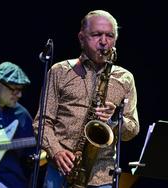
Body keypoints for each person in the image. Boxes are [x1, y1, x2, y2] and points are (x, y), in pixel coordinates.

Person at [33, 10, 139, 188]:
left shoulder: (125, 78)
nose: (104, 42)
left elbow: (132, 129)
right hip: (60, 171)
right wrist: (56, 152)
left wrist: (113, 120)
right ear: (81, 38)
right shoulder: (60, 71)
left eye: (110, 35)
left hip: (102, 176)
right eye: (97, 35)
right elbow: (41, 123)